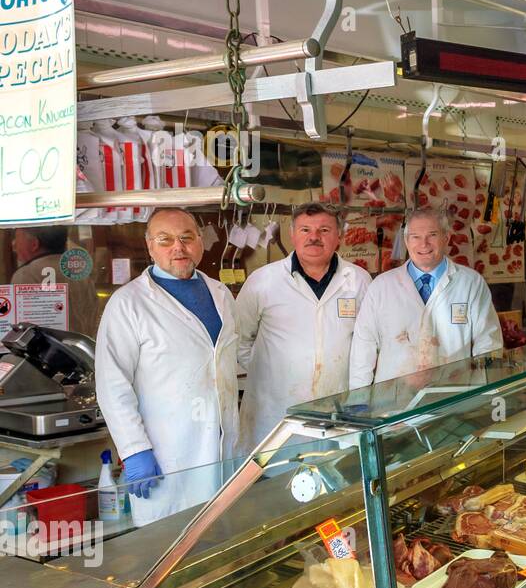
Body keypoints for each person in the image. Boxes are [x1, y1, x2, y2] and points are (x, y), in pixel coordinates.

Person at [95, 209, 239, 525]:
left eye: (187, 238)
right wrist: (134, 450)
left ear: (200, 242)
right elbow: (111, 383)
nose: (178, 247)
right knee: (168, 547)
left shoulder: (220, 294)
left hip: (221, 442)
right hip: (166, 451)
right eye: (165, 240)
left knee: (220, 540)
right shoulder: (128, 303)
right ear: (150, 247)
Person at [235, 203, 372, 453]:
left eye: (324, 230)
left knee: (335, 479)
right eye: (305, 229)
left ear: (339, 236)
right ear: (292, 234)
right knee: (277, 480)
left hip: (338, 407)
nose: (314, 237)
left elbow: (368, 341)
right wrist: (274, 372)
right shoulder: (262, 281)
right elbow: (239, 340)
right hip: (276, 408)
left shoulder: (359, 280)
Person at [349, 206, 502, 387]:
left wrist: (480, 394)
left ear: (446, 238)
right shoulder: (381, 286)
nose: (424, 244)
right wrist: (359, 398)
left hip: (453, 394)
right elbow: (363, 346)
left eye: (432, 235)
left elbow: (488, 344)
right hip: (393, 399)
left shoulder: (471, 283)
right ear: (406, 241)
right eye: (415, 237)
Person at [10, 227, 99, 337]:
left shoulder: (26, 274)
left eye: (17, 240)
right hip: (83, 349)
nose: (14, 246)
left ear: (34, 244)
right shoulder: (79, 273)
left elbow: (22, 331)